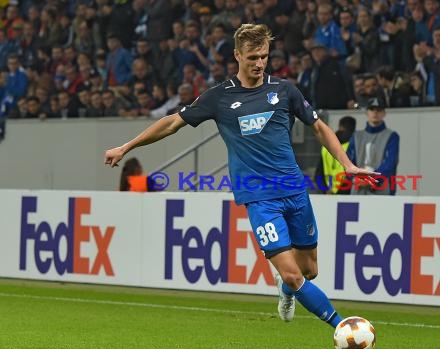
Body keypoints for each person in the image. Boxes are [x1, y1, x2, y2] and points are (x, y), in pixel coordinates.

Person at [104, 24, 378, 329]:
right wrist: (127, 146)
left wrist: (347, 164)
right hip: (259, 198)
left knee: (309, 270)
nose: (259, 64)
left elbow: (318, 127)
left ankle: (286, 291)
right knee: (292, 273)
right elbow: (171, 124)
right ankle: (343, 327)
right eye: (252, 57)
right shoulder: (219, 97)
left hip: (294, 191)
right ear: (237, 55)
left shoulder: (284, 90)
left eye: (264, 57)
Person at [347, 97, 400, 195]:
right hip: (358, 189)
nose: (375, 113)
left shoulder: (392, 136)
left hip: (382, 190)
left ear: (384, 113)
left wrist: (372, 180)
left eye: (379, 110)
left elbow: (390, 163)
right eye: (372, 109)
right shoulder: (356, 136)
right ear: (367, 112)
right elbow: (348, 161)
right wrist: (355, 179)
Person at [314, 116, 356, 194]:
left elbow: (318, 173)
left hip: (327, 191)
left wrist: (325, 189)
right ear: (354, 128)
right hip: (346, 191)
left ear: (340, 126)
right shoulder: (353, 145)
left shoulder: (326, 145)